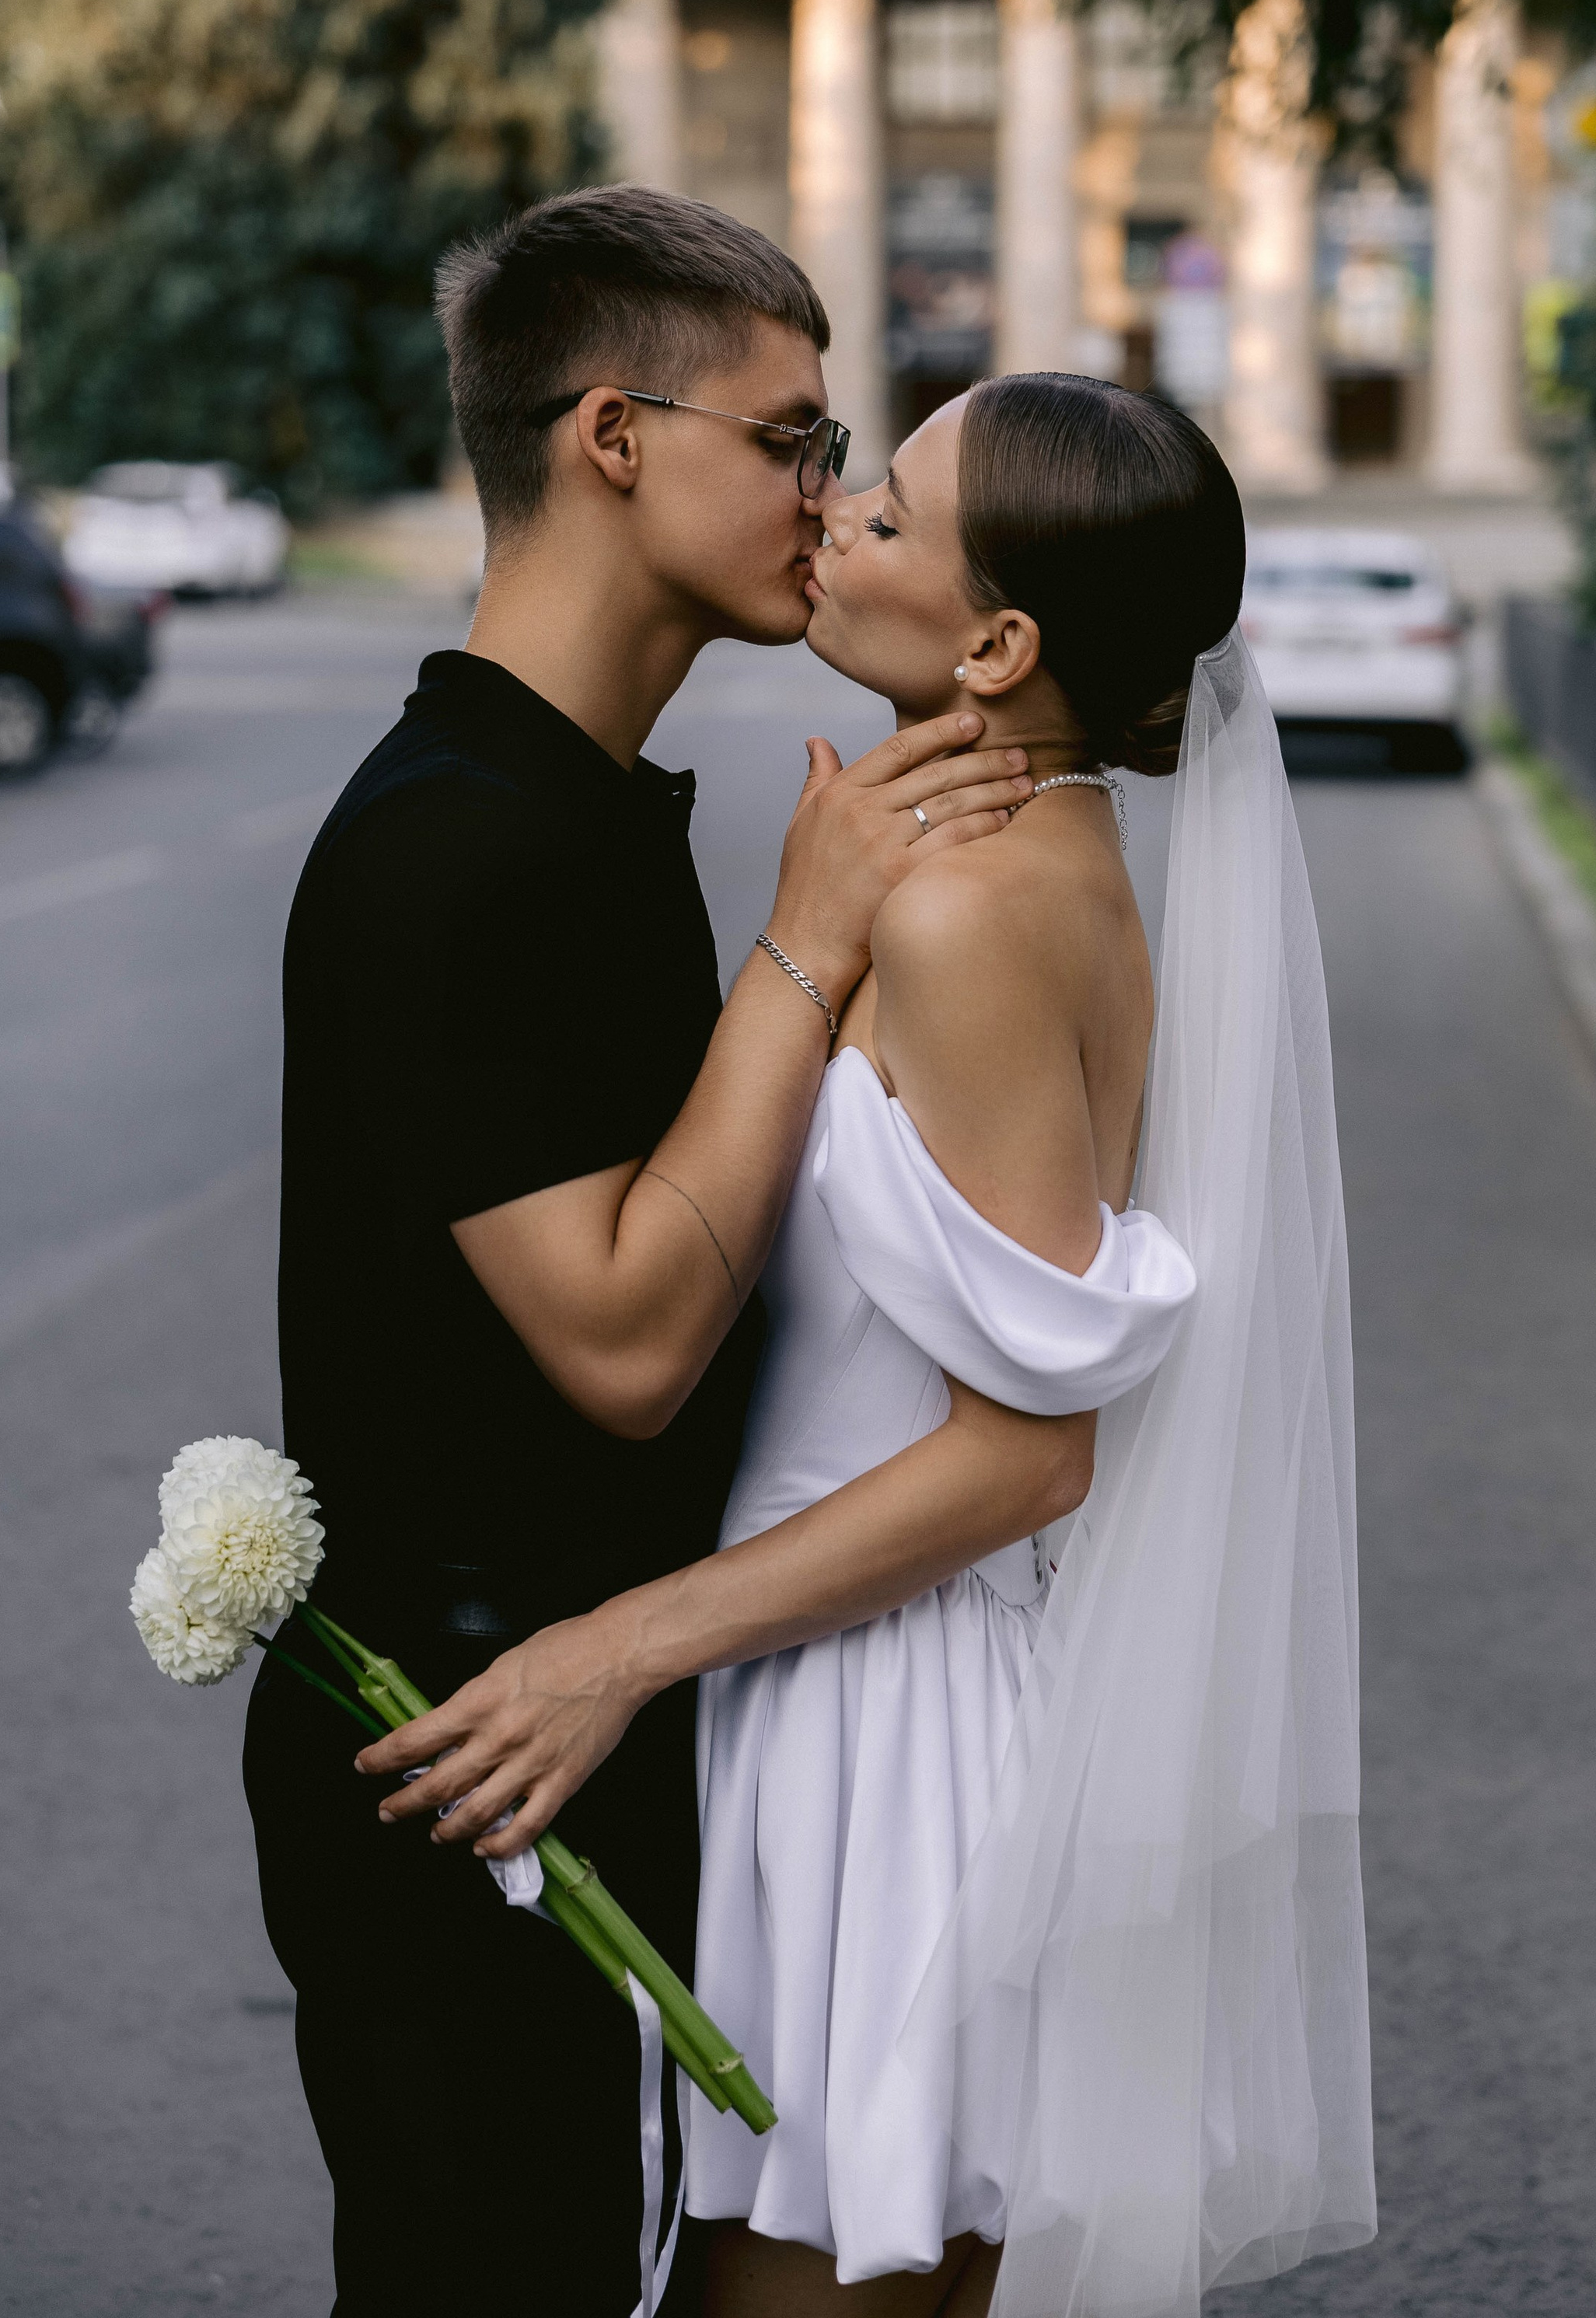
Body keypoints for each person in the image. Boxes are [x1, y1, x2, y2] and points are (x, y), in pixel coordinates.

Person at [361, 372, 1376, 2318]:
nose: (831, 520)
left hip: (884, 1749)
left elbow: (1026, 1453)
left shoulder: (979, 908)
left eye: (888, 514)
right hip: (835, 1689)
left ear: (996, 642)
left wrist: (612, 1647)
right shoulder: (1003, 854)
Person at [244, 184, 1035, 2316]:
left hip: (598, 1735)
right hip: (465, 1756)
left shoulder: (584, 806)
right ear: (615, 438)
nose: (830, 491)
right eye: (788, 439)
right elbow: (622, 1341)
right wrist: (810, 938)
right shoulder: (448, 845)